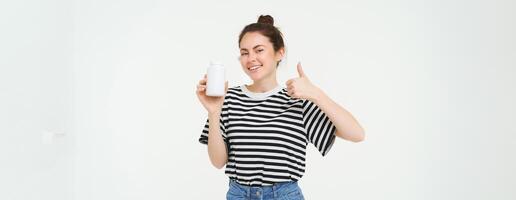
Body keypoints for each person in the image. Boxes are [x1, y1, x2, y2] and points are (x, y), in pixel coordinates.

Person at [196, 15, 365, 200]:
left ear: (279, 53)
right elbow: (218, 162)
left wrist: (316, 94)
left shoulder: (298, 99)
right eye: (244, 53)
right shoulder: (228, 98)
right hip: (238, 194)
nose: (250, 58)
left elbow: (356, 134)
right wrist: (213, 112)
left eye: (258, 50)